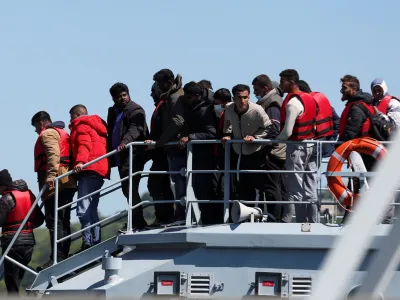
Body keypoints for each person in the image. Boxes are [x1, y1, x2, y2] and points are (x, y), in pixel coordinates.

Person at [31, 111, 76, 270]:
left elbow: (53, 154)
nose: (36, 131)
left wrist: (50, 176)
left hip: (57, 181)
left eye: (36, 126)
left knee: (54, 220)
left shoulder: (48, 133)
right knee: (63, 218)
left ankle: (57, 257)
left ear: (41, 123)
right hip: (66, 179)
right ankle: (62, 254)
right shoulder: (61, 132)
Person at [222, 84, 273, 216]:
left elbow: (268, 128)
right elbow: (228, 123)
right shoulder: (229, 108)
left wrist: (255, 137)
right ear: (234, 98)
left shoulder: (257, 110)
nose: (242, 101)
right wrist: (227, 134)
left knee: (256, 186)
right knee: (242, 185)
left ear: (249, 97)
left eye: (245, 97)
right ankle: (244, 215)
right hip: (239, 152)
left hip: (255, 151)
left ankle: (256, 215)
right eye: (239, 97)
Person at [107, 82, 150, 232]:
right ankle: (137, 221)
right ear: (114, 99)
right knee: (127, 190)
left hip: (134, 155)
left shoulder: (135, 109)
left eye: (124, 95)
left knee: (130, 189)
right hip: (121, 158)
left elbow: (136, 129)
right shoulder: (113, 111)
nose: (123, 98)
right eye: (119, 97)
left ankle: (138, 222)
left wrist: (125, 142)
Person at [277, 69, 318, 223]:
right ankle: (314, 222)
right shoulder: (309, 98)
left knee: (295, 187)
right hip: (311, 144)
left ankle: (301, 223)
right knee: (311, 186)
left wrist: (274, 140)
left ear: (292, 82)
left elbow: (287, 132)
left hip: (297, 148)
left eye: (283, 82)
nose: (281, 85)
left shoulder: (293, 103)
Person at [146, 69, 186, 221]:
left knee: (180, 183)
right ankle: (178, 215)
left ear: (168, 83)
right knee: (176, 182)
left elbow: (178, 121)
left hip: (176, 148)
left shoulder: (175, 98)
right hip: (172, 147)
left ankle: (180, 216)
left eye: (158, 83)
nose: (156, 87)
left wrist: (161, 141)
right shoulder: (170, 97)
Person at [69, 104, 110, 251]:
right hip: (99, 170)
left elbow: (83, 144)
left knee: (83, 209)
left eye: (71, 116)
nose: (70, 120)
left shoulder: (81, 125)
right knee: (92, 209)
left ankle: (87, 242)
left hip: (88, 169)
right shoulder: (96, 126)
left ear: (76, 115)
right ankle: (96, 240)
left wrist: (80, 162)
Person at [179, 81, 219, 224]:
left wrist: (191, 137)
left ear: (196, 96)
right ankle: (207, 218)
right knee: (198, 189)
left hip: (205, 158)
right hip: (199, 157)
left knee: (205, 189)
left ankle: (210, 220)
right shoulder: (197, 109)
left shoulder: (204, 111)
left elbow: (211, 134)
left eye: (188, 97)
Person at [0, 170, 44, 295]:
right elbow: (40, 219)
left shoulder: (6, 198)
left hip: (12, 243)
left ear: (2, 185)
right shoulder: (29, 195)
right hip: (29, 242)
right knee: (18, 278)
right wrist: (26, 227)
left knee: (11, 284)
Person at [252, 74, 286, 219]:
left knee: (272, 188)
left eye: (256, 89)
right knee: (270, 187)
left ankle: (275, 218)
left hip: (272, 153)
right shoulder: (270, 101)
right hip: (271, 151)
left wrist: (259, 141)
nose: (254, 93)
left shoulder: (272, 104)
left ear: (266, 88)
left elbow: (274, 129)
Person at [146, 82, 175, 224]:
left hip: (164, 151)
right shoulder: (161, 105)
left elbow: (167, 128)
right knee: (159, 184)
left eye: (153, 90)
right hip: (158, 152)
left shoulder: (165, 105)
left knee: (156, 183)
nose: (151, 94)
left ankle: (165, 217)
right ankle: (164, 216)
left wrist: (157, 142)